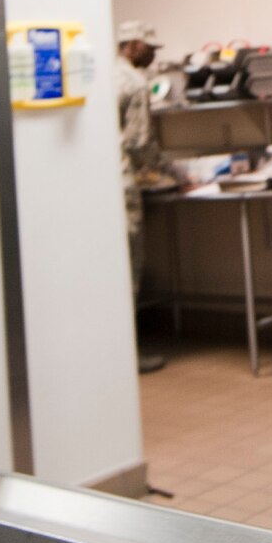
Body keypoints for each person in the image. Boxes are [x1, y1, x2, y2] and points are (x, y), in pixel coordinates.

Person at [117, 20, 167, 374]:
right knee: (128, 269)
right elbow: (139, 142)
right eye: (149, 48)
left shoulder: (103, 75)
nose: (153, 55)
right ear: (133, 45)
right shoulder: (135, 83)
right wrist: (171, 171)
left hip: (95, 186)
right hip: (122, 184)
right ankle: (128, 355)